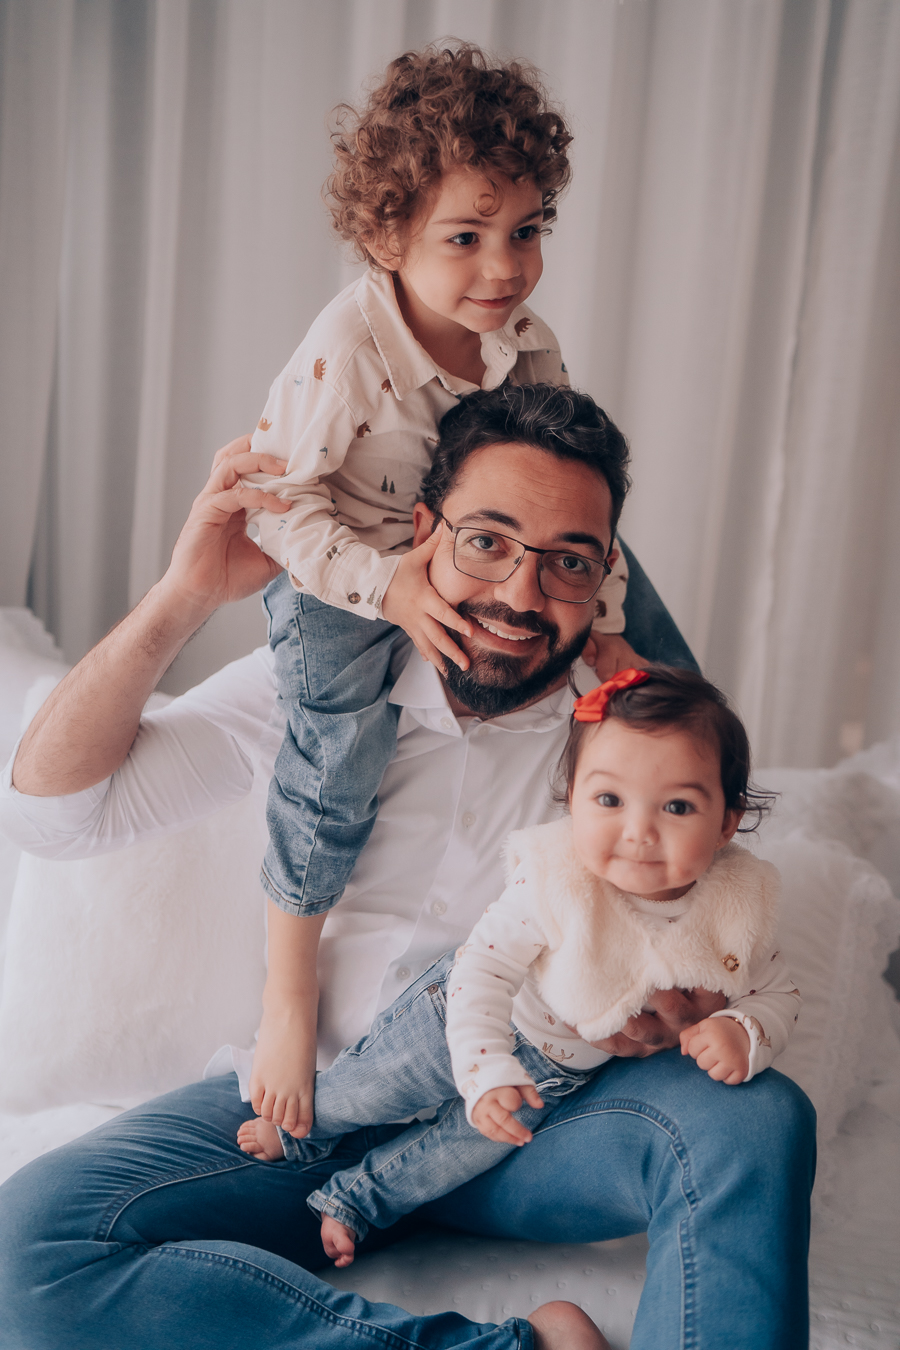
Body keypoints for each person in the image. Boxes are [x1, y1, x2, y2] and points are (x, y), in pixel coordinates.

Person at [0, 384, 814, 1350]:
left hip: (530, 1118)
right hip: (306, 1105)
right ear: (424, 532)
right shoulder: (319, 694)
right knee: (29, 1250)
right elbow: (51, 816)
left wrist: (684, 1004)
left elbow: (709, 921)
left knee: (755, 1118)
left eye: (568, 562)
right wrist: (185, 597)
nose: (522, 594)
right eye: (488, 540)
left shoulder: (628, 752)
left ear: (604, 580)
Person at [237, 45, 642, 1142]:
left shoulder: (526, 341)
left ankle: (674, 798)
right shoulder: (349, 349)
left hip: (467, 548)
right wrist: (389, 589)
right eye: (465, 237)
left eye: (528, 229)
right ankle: (288, 992)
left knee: (614, 581)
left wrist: (608, 632)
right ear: (387, 238)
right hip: (340, 569)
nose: (503, 267)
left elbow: (570, 474)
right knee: (338, 753)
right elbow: (274, 506)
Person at [237, 665, 801, 1269]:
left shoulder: (734, 909)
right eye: (609, 800)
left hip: (554, 1075)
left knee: (454, 1153)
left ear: (726, 822)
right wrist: (483, 1069)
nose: (639, 832)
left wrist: (744, 1031)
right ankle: (302, 1130)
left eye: (678, 806)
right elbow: (483, 969)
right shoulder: (557, 882)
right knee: (372, 1089)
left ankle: (356, 1199)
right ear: (573, 799)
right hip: (471, 1018)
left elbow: (780, 992)